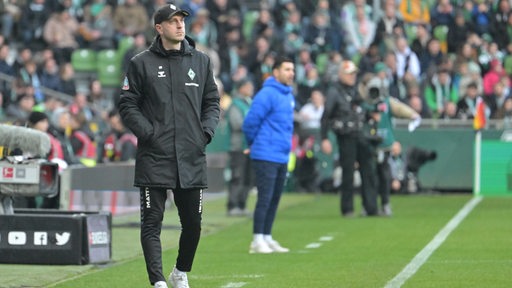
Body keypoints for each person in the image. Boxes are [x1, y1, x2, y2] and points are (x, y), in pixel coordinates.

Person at [117, 3, 220, 288]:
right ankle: (158, 282)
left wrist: (206, 133)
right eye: (173, 21)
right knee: (152, 223)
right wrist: (148, 133)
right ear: (159, 28)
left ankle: (180, 271)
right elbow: (127, 104)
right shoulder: (141, 62)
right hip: (155, 155)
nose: (180, 25)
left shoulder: (201, 61)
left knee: (194, 224)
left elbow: (211, 102)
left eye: (182, 20)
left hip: (191, 155)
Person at [242, 56, 295, 254]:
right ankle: (257, 239)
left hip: (281, 154)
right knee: (265, 197)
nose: (291, 73)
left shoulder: (288, 94)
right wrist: (253, 143)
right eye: (287, 69)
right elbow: (250, 122)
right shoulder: (267, 94)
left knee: (274, 198)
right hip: (266, 153)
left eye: (292, 69)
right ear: (276, 72)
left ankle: (267, 236)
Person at [320, 60, 378, 217]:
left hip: (360, 133)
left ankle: (371, 207)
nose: (353, 76)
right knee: (348, 172)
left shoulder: (356, 90)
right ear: (341, 75)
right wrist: (324, 138)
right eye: (350, 74)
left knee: (368, 170)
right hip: (345, 135)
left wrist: (370, 115)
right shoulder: (334, 91)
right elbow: (326, 116)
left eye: (354, 73)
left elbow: (362, 109)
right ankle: (347, 208)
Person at [225, 78, 254, 216]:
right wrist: (254, 124)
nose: (250, 88)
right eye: (248, 86)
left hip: (250, 146)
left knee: (248, 177)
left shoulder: (249, 103)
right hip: (238, 146)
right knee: (237, 176)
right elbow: (237, 124)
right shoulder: (235, 104)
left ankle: (242, 205)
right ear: (241, 88)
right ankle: (232, 205)